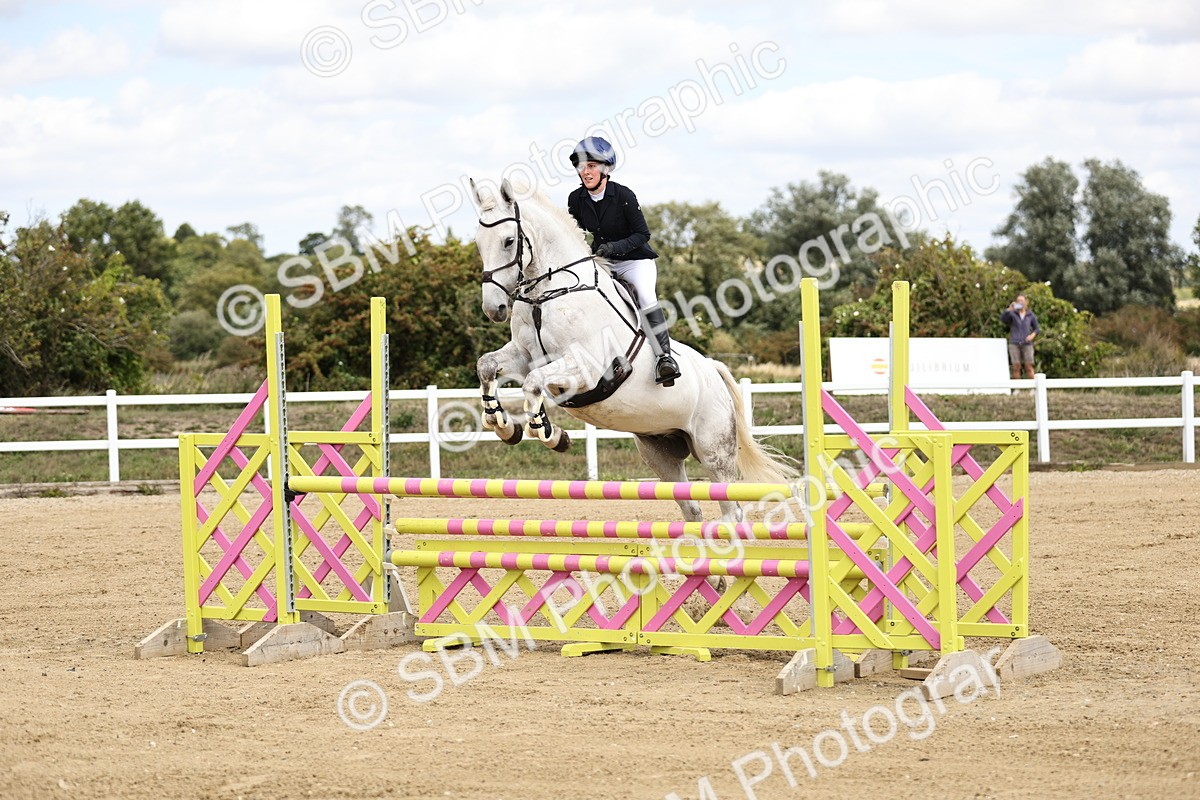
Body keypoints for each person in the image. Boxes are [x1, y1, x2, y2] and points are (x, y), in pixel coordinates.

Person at [566, 136, 681, 386]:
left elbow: (643, 235)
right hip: (602, 261)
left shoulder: (623, 195)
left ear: (605, 169)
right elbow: (572, 232)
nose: (585, 172)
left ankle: (664, 358)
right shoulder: (576, 199)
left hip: (634, 261)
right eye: (582, 167)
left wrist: (613, 247)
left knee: (646, 297)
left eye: (591, 166)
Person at [1000, 294, 1040, 380]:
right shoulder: (1012, 314)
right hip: (1014, 342)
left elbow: (1037, 329)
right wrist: (1009, 309)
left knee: (1028, 366)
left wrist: (1031, 336)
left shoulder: (1030, 315)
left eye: (1022, 301)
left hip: (1027, 343)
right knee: (1016, 366)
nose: (1020, 303)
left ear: (1026, 302)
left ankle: (1033, 388)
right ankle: (1018, 389)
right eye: (1018, 301)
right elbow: (1003, 319)